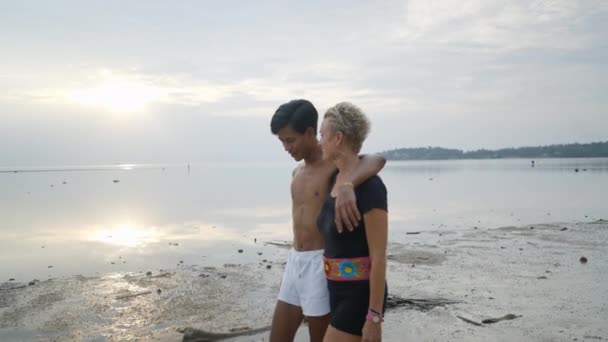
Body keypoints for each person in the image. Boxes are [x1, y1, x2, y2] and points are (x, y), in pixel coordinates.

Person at [269, 99, 386, 342]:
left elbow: (376, 160)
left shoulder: (333, 168)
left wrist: (348, 184)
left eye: (290, 140)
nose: (286, 147)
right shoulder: (296, 173)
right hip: (295, 261)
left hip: (321, 263)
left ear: (311, 133)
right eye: (282, 141)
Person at [317, 102, 389, 342]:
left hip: (360, 295)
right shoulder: (334, 179)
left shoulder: (371, 187)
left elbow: (379, 256)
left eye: (322, 135)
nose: (320, 142)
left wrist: (374, 317)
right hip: (334, 290)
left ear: (338, 138)